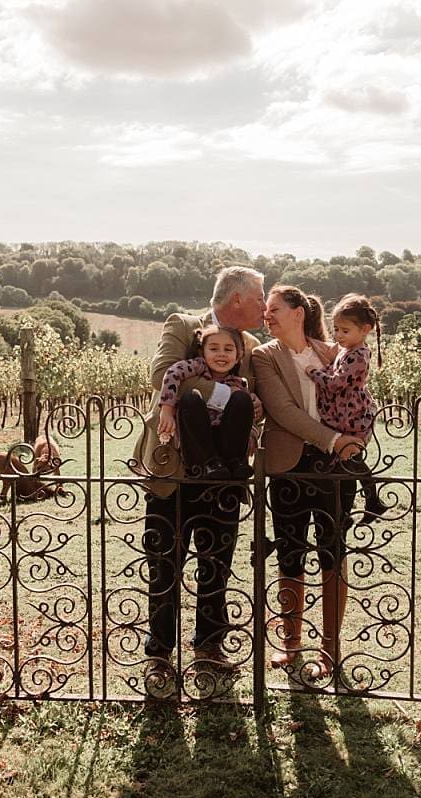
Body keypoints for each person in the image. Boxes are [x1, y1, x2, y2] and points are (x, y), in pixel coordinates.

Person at [133, 266, 266, 688]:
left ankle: (209, 645)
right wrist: (231, 395)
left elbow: (255, 404)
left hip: (226, 476)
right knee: (164, 563)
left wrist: (252, 416)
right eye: (260, 297)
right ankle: (159, 651)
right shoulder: (183, 324)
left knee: (217, 564)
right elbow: (162, 377)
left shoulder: (252, 346)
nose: (265, 306)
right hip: (173, 469)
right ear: (239, 299)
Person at [251, 286, 364, 682]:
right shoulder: (263, 357)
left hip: (336, 468)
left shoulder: (334, 352)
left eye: (274, 309)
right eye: (265, 310)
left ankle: (331, 651)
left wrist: (355, 438)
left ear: (298, 313)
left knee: (332, 553)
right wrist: (333, 438)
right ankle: (291, 643)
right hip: (289, 466)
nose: (267, 315)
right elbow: (282, 411)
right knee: (289, 554)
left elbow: (357, 398)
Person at [306, 293, 387, 523]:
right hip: (343, 411)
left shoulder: (359, 355)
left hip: (349, 413)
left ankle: (371, 500)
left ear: (365, 329)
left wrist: (314, 373)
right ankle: (350, 510)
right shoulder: (346, 350)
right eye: (336, 330)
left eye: (345, 331)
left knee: (350, 454)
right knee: (344, 458)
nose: (339, 335)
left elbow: (336, 383)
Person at [157, 325, 255, 481]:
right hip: (198, 441)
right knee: (191, 398)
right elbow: (172, 373)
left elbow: (244, 418)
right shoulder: (198, 366)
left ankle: (235, 462)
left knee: (243, 400)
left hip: (225, 440)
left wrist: (250, 434)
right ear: (203, 353)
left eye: (228, 350)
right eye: (214, 349)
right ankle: (209, 462)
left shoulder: (239, 383)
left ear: (238, 356)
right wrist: (167, 410)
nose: (221, 354)